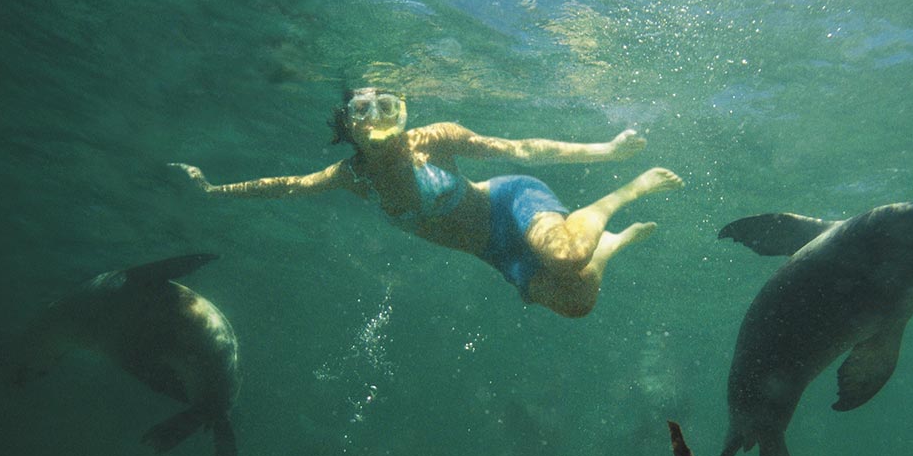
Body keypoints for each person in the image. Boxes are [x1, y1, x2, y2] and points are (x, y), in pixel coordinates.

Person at [171, 87, 683, 317]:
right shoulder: (352, 176)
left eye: (387, 106)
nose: (377, 118)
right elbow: (286, 185)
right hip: (493, 251)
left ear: (401, 111)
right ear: (347, 124)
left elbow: (517, 148)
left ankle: (626, 193)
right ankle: (613, 243)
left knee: (567, 256)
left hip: (510, 202)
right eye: (362, 111)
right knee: (577, 302)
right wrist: (213, 190)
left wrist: (607, 151)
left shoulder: (434, 139)